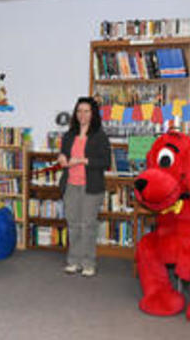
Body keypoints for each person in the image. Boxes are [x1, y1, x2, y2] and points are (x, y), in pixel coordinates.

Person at [58, 96, 110, 277]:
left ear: (93, 113)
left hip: (91, 187)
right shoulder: (69, 135)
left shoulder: (100, 136)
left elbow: (106, 162)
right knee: (73, 224)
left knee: (88, 225)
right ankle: (74, 261)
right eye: (79, 111)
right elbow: (63, 154)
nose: (82, 115)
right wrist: (62, 158)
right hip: (71, 185)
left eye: (86, 111)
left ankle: (88, 263)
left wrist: (83, 160)